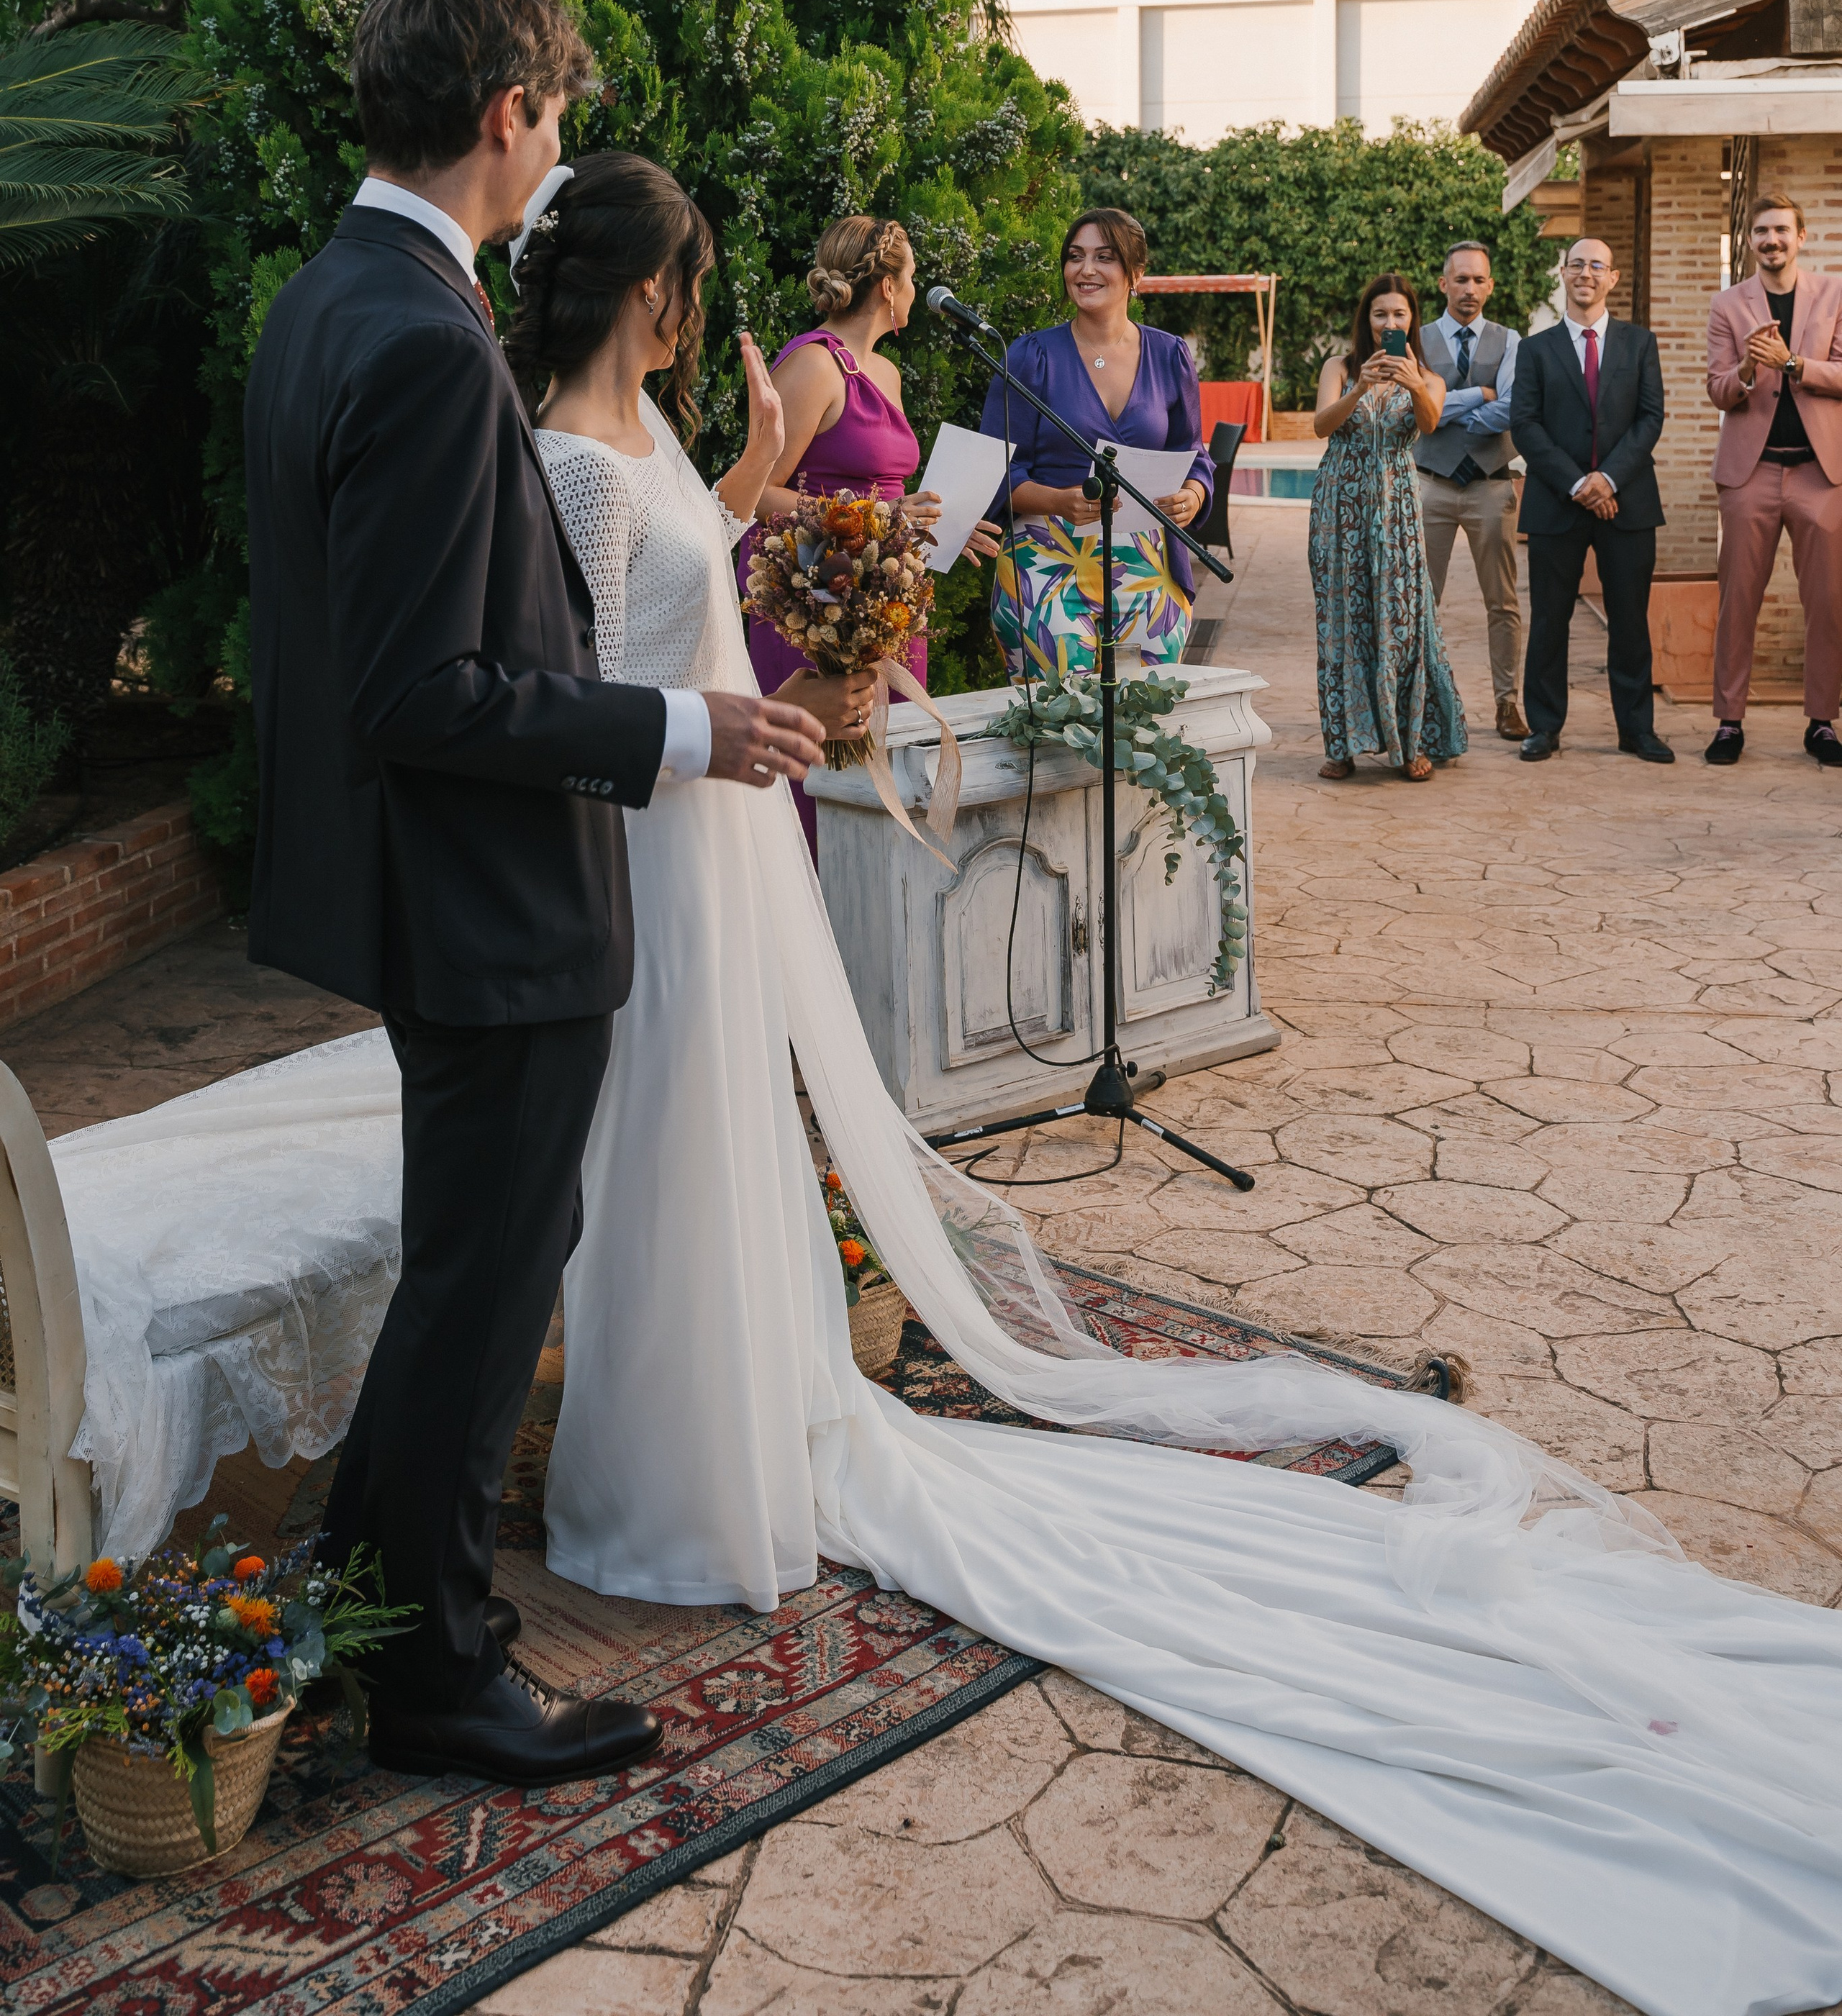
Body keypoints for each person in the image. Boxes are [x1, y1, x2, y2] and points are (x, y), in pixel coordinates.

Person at [199, 153, 1842, 2011]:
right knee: (592, 1195)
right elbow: (559, 673)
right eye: (689, 285)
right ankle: (564, 1528)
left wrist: (746, 488)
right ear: (650, 294)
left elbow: (667, 592)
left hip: (693, 828)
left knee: (670, 1165)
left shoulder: (631, 430)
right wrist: (707, 706)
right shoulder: (558, 451)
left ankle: (617, 1483)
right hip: (628, 843)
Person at [242, 0, 825, 1786]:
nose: (556, 135)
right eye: (553, 107)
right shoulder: (420, 336)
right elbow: (429, 684)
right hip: (490, 902)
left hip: (423, 889)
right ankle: (441, 1675)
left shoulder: (330, 297)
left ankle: (356, 1602)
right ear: (508, 113)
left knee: (466, 1264)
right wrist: (679, 732)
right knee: (488, 1280)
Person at [741, 215, 993, 855]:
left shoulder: (886, 374)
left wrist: (942, 529)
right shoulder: (815, 366)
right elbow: (755, 494)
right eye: (912, 277)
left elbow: (890, 498)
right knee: (820, 787)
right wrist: (880, 521)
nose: (916, 289)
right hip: (817, 609)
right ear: (888, 286)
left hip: (880, 605)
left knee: (886, 773)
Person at [979, 208, 1212, 680]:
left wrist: (1192, 495)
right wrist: (1059, 501)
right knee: (1064, 724)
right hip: (1045, 560)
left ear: (1136, 273)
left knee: (1145, 726)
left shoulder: (1170, 355)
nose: (1085, 270)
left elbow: (1195, 456)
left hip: (1146, 564)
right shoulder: (1030, 356)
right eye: (1075, 257)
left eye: (1104, 257)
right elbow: (996, 469)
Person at [1510, 238, 1671, 764]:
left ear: (1613, 277)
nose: (1586, 273)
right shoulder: (1535, 348)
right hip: (1557, 503)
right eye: (1576, 264)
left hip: (1628, 502)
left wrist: (1608, 478)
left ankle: (1636, 730)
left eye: (1596, 265)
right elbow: (1525, 426)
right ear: (1563, 273)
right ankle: (1545, 728)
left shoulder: (1640, 344)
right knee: (1549, 621)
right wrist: (1579, 484)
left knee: (1630, 620)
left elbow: (1650, 419)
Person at [1308, 273, 1466, 783]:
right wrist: (1360, 388)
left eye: (1399, 315)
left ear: (1412, 320)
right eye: (1381, 315)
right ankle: (1342, 745)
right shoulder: (1340, 367)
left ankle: (1411, 742)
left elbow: (1430, 422)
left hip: (1397, 507)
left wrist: (1416, 384)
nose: (1390, 323)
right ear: (1367, 320)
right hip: (1340, 506)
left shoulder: (1430, 376)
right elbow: (1321, 426)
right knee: (1342, 620)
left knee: (1402, 620)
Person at [1703, 189, 1842, 768]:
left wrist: (1791, 364)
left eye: (1782, 231)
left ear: (1801, 237)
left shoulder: (1835, 293)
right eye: (1761, 232)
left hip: (1820, 472)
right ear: (1750, 241)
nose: (1772, 240)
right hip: (1750, 472)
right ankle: (1730, 722)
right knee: (1738, 599)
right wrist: (1745, 369)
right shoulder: (1728, 305)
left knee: (1829, 601)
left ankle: (1822, 723)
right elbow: (1717, 389)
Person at [1415, 241, 1527, 741]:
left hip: (1490, 486)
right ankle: (1416, 700)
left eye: (1479, 280)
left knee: (1502, 602)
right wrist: (1469, 398)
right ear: (1444, 284)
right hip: (1431, 487)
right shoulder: (1415, 341)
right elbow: (1411, 406)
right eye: (1461, 279)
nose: (1470, 289)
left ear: (1490, 286)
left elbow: (1511, 408)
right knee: (1419, 599)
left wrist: (1441, 410)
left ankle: (1508, 703)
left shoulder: (1511, 341)